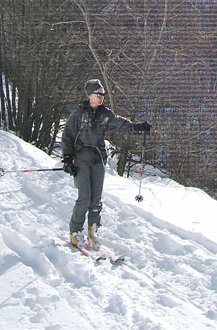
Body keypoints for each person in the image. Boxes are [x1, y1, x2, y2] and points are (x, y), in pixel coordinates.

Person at [61, 78, 151, 248]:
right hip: (81, 160)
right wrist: (67, 159)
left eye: (103, 94)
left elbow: (121, 124)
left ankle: (92, 230)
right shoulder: (78, 115)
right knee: (84, 197)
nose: (102, 97)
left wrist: (138, 128)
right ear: (90, 95)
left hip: (98, 159)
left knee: (96, 199)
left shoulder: (105, 114)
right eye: (98, 94)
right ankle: (75, 232)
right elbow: (67, 137)